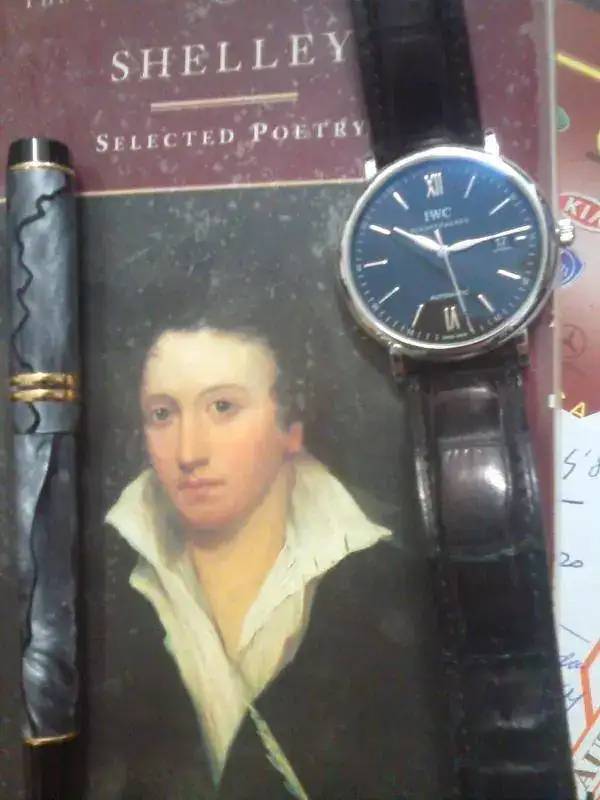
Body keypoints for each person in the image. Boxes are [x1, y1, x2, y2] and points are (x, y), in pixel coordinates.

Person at [102, 310, 452, 800]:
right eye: (162, 414)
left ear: (292, 426)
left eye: (222, 406)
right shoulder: (101, 578)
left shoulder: (397, 576)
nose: (188, 452)